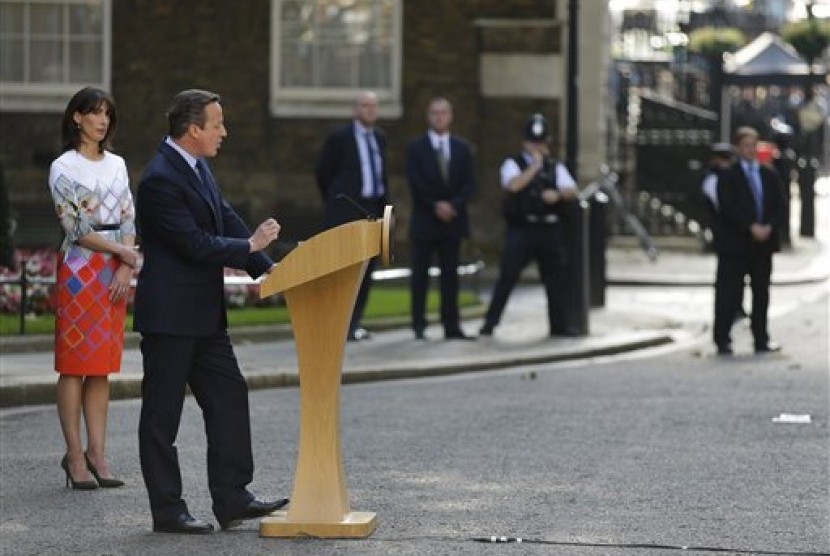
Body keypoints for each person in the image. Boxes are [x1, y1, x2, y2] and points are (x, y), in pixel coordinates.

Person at [133, 89, 287, 534]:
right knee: (162, 417)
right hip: (170, 318)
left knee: (229, 398)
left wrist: (270, 269)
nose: (224, 132)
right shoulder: (160, 178)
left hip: (204, 317)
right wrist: (249, 246)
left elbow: (226, 218)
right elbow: (193, 244)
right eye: (217, 124)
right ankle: (168, 510)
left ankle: (232, 497)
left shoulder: (198, 168)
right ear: (193, 129)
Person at [48, 87, 136, 491]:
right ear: (76, 118)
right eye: (94, 113)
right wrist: (121, 251)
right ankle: (75, 455)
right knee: (74, 365)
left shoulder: (117, 164)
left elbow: (128, 216)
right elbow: (77, 227)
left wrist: (123, 266)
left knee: (100, 367)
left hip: (112, 273)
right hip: (79, 270)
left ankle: (99, 455)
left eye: (107, 114)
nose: (102, 120)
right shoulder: (63, 167)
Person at [479, 114, 578, 338]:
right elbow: (513, 186)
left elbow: (572, 190)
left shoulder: (555, 167)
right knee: (508, 276)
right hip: (523, 229)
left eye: (540, 142)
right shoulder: (513, 164)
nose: (536, 146)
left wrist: (557, 194)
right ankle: (490, 323)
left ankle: (559, 325)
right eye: (533, 142)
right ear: (524, 143)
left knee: (555, 279)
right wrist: (534, 167)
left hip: (549, 230)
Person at [315, 91, 389, 341]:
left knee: (367, 270)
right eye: (364, 106)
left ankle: (353, 324)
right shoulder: (340, 137)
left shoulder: (380, 137)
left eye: (373, 106)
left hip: (373, 210)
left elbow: (381, 175)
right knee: (343, 270)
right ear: (356, 110)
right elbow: (324, 172)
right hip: (347, 209)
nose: (369, 110)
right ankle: (335, 325)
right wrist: (337, 201)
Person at [405, 97, 476, 340]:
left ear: (451, 116)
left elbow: (469, 184)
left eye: (443, 113)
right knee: (420, 276)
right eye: (434, 113)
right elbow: (415, 183)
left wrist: (452, 206)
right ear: (428, 117)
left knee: (450, 277)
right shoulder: (416, 148)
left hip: (453, 222)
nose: (439, 117)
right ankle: (418, 324)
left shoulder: (462, 148)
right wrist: (435, 206)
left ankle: (451, 325)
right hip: (425, 220)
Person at [713, 126, 784, 355]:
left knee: (761, 294)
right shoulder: (728, 176)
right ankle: (722, 339)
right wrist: (749, 226)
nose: (750, 150)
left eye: (754, 145)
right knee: (728, 293)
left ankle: (761, 339)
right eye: (746, 145)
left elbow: (780, 204)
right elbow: (727, 207)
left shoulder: (768, 174)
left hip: (763, 245)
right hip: (735, 244)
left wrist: (768, 227)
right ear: (738, 148)